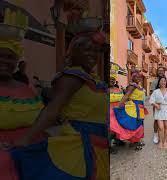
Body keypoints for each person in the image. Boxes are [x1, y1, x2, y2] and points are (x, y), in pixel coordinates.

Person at [6, 31, 109, 179]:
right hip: (78, 144)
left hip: (97, 143)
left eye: (95, 50)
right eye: (86, 49)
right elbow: (52, 110)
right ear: (73, 52)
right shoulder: (72, 77)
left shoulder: (92, 79)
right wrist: (25, 140)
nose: (92, 54)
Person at [0, 23, 45, 180]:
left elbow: (41, 120)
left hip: (31, 158)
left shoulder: (26, 89)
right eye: (1, 55)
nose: (5, 61)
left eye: (11, 57)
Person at [113, 68, 146, 151]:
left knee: (140, 123)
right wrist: (120, 105)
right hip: (134, 107)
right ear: (132, 77)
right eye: (136, 76)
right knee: (134, 123)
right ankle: (134, 141)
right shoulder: (132, 86)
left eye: (139, 77)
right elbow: (126, 96)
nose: (138, 78)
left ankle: (136, 141)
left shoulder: (139, 85)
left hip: (140, 107)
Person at [149, 77, 167, 149]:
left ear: (166, 83)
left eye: (164, 81)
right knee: (161, 127)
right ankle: (160, 142)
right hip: (159, 110)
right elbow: (151, 100)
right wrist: (156, 105)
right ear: (159, 83)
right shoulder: (156, 91)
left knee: (166, 126)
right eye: (161, 81)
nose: (163, 82)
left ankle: (165, 141)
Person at [151, 66, 167, 143]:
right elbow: (152, 93)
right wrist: (155, 103)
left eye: (162, 71)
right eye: (159, 71)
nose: (160, 72)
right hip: (158, 104)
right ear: (157, 72)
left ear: (164, 72)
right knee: (156, 119)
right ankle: (155, 134)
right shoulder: (154, 81)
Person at [109, 64, 124, 154]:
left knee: (119, 126)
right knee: (111, 128)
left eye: (113, 79)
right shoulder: (103, 88)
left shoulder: (118, 90)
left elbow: (123, 99)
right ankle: (109, 146)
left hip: (118, 111)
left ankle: (118, 140)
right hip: (108, 112)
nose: (112, 81)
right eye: (110, 79)